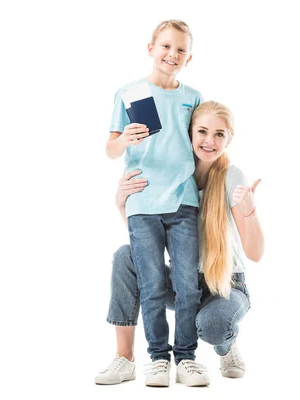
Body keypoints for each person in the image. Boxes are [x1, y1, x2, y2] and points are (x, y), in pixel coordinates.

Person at [95, 101, 264, 386]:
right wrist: (122, 204)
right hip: (181, 282)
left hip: (225, 285)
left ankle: (227, 344)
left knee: (212, 325)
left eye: (219, 134)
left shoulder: (231, 177)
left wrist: (250, 211)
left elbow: (255, 254)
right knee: (126, 256)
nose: (209, 141)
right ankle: (124, 358)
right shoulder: (170, 177)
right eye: (202, 131)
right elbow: (148, 243)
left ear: (229, 139)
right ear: (189, 133)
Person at [104, 20, 205, 387]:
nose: (171, 55)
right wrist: (125, 140)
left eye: (180, 50)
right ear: (151, 48)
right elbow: (110, 148)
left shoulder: (192, 98)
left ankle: (187, 357)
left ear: (188, 57)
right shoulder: (130, 93)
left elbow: (201, 146)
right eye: (165, 46)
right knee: (151, 285)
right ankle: (159, 358)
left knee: (186, 282)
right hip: (143, 200)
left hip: (183, 201)